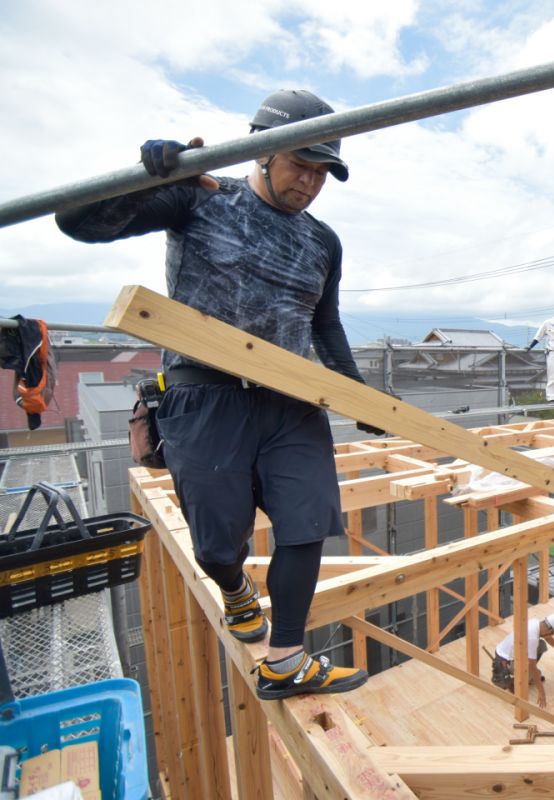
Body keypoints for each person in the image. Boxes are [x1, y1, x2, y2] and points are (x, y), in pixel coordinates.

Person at [56, 89, 379, 701]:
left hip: (291, 399)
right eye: (299, 165)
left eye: (321, 173)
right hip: (204, 398)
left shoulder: (323, 241)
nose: (310, 182)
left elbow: (325, 323)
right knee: (216, 541)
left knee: (308, 520)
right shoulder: (201, 198)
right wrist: (146, 177)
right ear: (262, 151)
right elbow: (77, 224)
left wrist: (357, 395)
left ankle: (284, 660)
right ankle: (235, 590)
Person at [491, 613, 554, 708]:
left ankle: (526, 675)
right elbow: (532, 666)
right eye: (553, 633)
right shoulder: (532, 638)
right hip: (505, 659)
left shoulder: (536, 623)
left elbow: (547, 636)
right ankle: (512, 678)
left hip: (509, 651)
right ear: (549, 629)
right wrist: (541, 691)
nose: (551, 635)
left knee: (541, 645)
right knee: (532, 673)